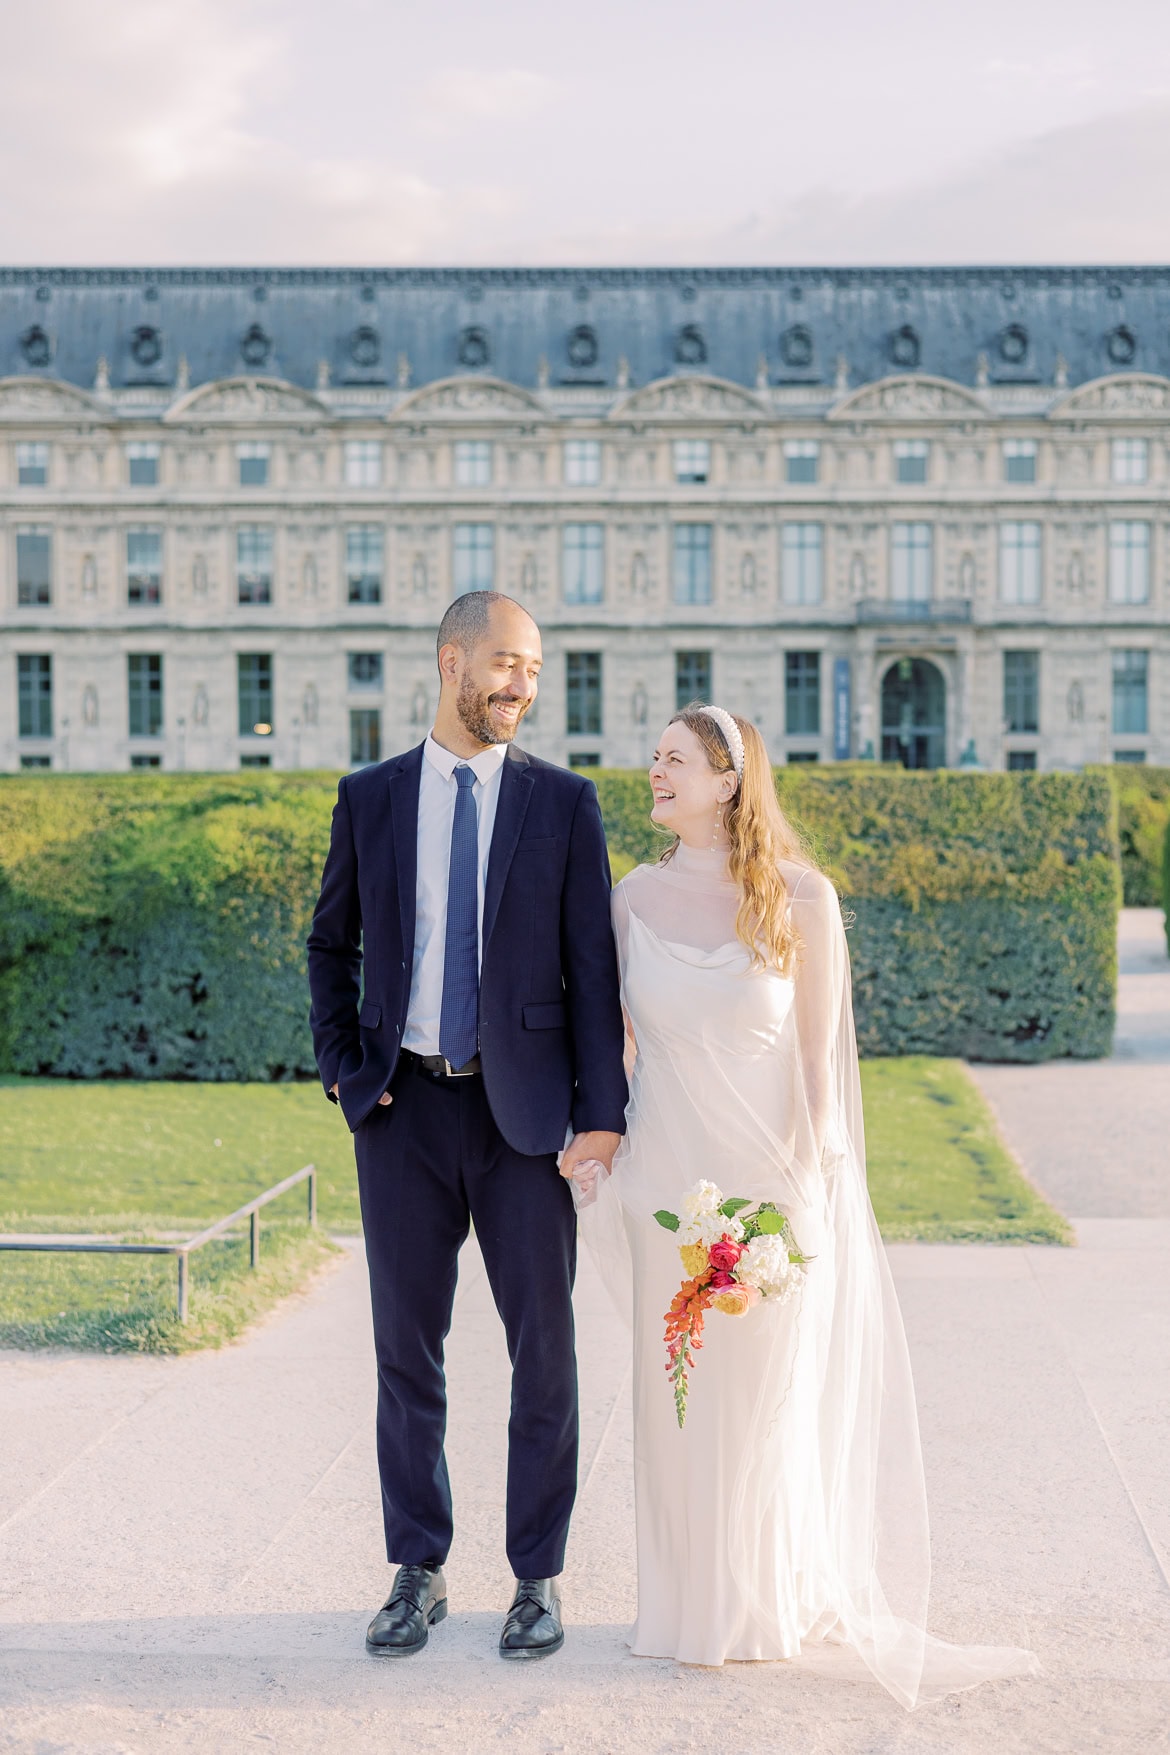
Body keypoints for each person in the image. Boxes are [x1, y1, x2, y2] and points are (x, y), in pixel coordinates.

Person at [572, 703, 1039, 1708]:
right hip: (666, 1184)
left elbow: (823, 1063)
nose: (652, 772)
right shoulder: (630, 898)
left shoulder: (803, 897)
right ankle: (681, 1609)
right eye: (653, 757)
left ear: (729, 780)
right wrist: (595, 1146)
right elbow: (618, 1052)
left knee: (762, 1406)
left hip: (767, 1188)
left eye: (674, 760)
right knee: (677, 1400)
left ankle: (759, 1604)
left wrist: (815, 1179)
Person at [307, 591, 627, 1661]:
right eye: (505, 664)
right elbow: (330, 945)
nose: (522, 686)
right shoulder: (371, 798)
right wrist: (349, 1073)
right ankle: (418, 1570)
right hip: (402, 1112)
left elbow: (594, 972)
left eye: (533, 669)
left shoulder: (564, 804)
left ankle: (537, 1579)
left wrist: (601, 1119)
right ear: (451, 663)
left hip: (526, 1120)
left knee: (547, 1355)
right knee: (408, 1352)